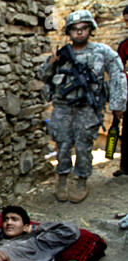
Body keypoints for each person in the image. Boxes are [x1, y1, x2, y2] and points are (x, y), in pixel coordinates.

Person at [38, 10, 127, 203]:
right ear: (69, 32)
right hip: (62, 107)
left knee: (84, 145)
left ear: (90, 30)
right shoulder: (62, 53)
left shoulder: (103, 52)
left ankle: (81, 179)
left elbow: (118, 76)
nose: (79, 33)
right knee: (62, 144)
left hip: (88, 108)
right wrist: (49, 63)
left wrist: (118, 104)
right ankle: (62, 177)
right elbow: (42, 76)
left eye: (83, 28)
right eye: (75, 29)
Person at [114, 6, 128, 177]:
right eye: (126, 22)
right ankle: (125, 167)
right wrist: (118, 101)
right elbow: (118, 73)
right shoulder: (124, 46)